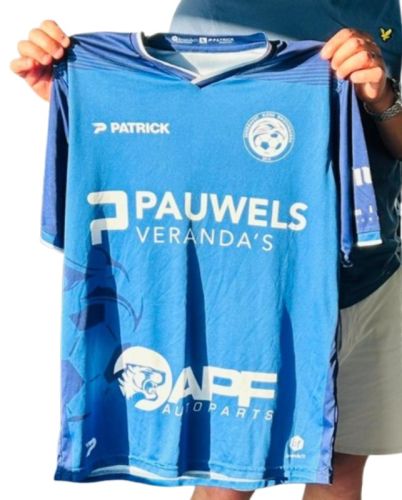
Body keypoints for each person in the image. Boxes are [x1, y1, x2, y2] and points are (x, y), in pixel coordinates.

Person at [9, 1, 402, 498]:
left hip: (374, 276)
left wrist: (380, 95)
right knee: (226, 479)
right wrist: (82, 98)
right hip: (249, 287)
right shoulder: (215, 9)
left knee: (340, 473)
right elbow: (178, 131)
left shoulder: (381, 6)